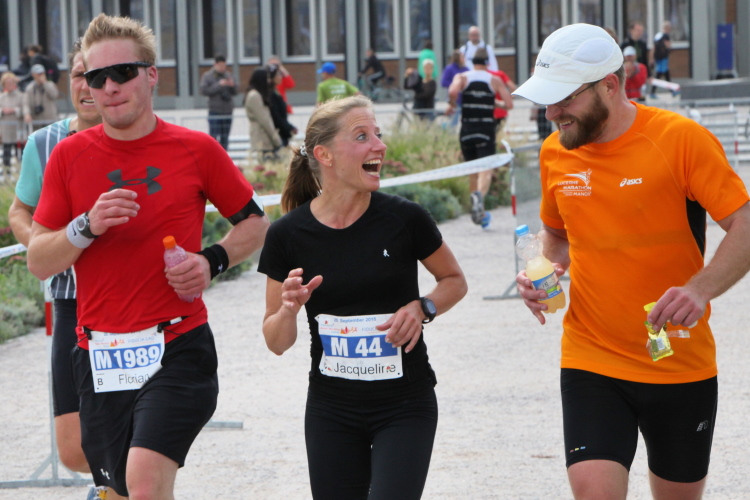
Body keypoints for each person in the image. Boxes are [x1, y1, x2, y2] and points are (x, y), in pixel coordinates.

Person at [26, 14, 269, 499]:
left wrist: (211, 261)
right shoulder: (68, 157)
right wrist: (86, 226)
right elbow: (39, 259)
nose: (109, 87)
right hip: (100, 354)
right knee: (124, 489)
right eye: (96, 77)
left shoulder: (196, 149)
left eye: (123, 73)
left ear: (151, 74)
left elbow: (256, 224)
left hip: (177, 345)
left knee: (143, 480)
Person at [512, 23, 750, 500]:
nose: (552, 113)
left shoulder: (681, 139)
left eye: (564, 99)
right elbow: (556, 234)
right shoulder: (555, 151)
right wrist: (543, 269)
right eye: (547, 100)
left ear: (609, 85)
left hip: (677, 359)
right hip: (591, 356)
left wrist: (700, 289)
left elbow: (744, 223)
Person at [258, 94, 467, 500]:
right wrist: (287, 310)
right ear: (325, 155)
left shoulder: (405, 219)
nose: (380, 146)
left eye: (378, 134)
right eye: (362, 136)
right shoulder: (287, 235)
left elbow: (454, 280)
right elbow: (276, 342)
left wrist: (422, 307)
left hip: (404, 405)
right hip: (330, 411)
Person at [8, 38, 103, 498]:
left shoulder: (141, 139)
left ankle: (115, 487)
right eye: (80, 75)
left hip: (133, 302)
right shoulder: (45, 143)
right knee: (73, 448)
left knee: (141, 422)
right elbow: (19, 211)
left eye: (99, 76)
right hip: (71, 299)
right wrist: (47, 248)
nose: (89, 86)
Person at [447, 48, 512, 229]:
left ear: (472, 62)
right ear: (488, 63)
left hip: (467, 129)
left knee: (472, 170)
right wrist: (493, 102)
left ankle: (477, 208)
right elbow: (509, 104)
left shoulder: (462, 77)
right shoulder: (494, 79)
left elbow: (452, 91)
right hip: (486, 129)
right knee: (486, 169)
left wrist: (452, 104)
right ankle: (479, 199)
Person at [199, 54, 237, 151]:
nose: (222, 68)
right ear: (215, 65)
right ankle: (213, 155)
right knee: (213, 137)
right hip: (215, 111)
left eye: (224, 66)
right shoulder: (208, 76)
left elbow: (236, 91)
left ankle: (224, 155)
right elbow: (204, 91)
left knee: (225, 137)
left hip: (227, 111)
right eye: (220, 66)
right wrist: (219, 85)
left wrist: (232, 85)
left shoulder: (228, 75)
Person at [244, 67, 283, 160]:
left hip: (264, 138)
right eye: (267, 78)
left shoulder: (257, 94)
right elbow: (264, 120)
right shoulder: (254, 96)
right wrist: (276, 138)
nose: (269, 81)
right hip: (262, 138)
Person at [0, 72, 24, 179]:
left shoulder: (20, 96)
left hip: (18, 129)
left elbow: (24, 109)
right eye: (7, 83)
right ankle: (7, 173)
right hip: (6, 129)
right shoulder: (2, 97)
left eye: (11, 82)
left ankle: (21, 173)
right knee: (6, 152)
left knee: (20, 152)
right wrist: (3, 111)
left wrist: (14, 110)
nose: (9, 85)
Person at [267, 63, 298, 147]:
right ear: (272, 78)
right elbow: (276, 117)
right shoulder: (271, 95)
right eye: (279, 74)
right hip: (278, 134)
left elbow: (291, 84)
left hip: (281, 131)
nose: (281, 77)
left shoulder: (275, 91)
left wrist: (290, 127)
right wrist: (288, 128)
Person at [23, 63, 59, 131]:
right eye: (38, 74)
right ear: (33, 75)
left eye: (42, 73)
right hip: (37, 122)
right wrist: (27, 114)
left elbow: (54, 95)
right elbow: (26, 103)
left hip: (50, 121)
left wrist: (45, 83)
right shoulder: (30, 88)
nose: (40, 76)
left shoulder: (50, 84)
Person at [440, 50, 468, 128]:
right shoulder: (449, 69)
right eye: (462, 57)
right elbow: (444, 82)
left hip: (465, 99)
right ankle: (448, 131)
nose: (464, 59)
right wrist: (455, 86)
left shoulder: (466, 69)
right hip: (454, 100)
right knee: (453, 121)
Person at [487, 66, 517, 132]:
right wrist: (508, 100)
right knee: (497, 134)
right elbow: (513, 87)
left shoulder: (478, 76)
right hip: (501, 111)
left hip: (485, 112)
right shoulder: (499, 74)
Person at [650, 21, 674, 98]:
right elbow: (668, 46)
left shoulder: (658, 35)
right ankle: (652, 92)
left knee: (666, 73)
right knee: (660, 74)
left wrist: (652, 58)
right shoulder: (666, 36)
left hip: (658, 58)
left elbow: (653, 48)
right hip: (663, 58)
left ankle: (672, 90)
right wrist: (669, 48)